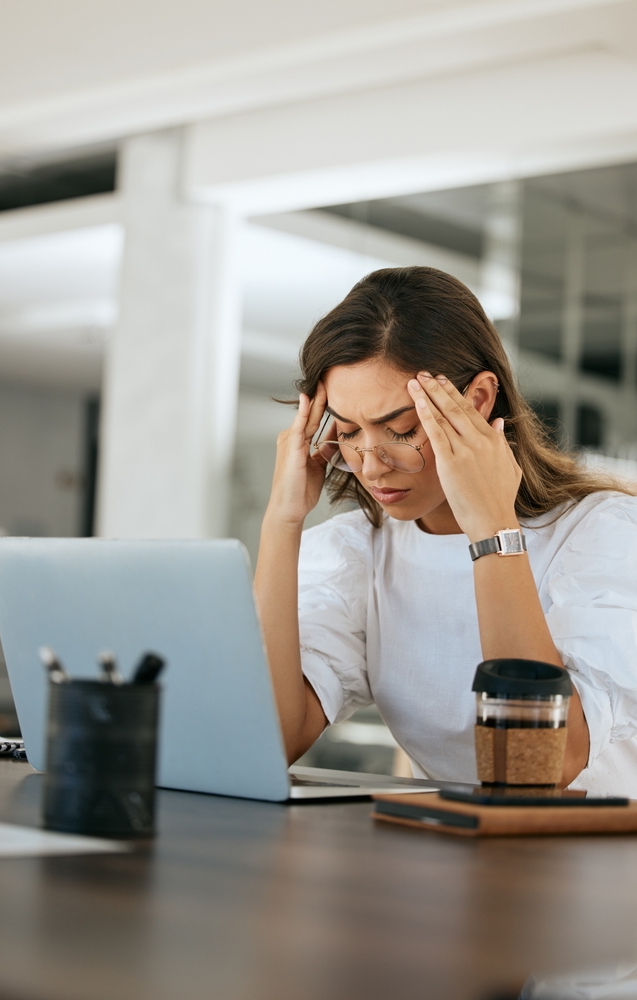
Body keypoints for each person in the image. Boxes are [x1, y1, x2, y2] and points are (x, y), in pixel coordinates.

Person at [254, 266, 637, 795]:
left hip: (601, 868)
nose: (371, 464)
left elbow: (537, 765)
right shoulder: (361, 555)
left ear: (478, 400)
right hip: (459, 864)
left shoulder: (601, 536)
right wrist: (282, 522)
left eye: (402, 430)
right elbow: (266, 741)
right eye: (346, 432)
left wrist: (491, 525)